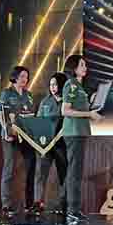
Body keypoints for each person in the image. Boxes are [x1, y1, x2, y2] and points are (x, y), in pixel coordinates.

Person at [61, 55, 103, 225]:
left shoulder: (79, 86)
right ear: (74, 68)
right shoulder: (70, 84)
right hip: (73, 132)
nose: (85, 67)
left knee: (76, 172)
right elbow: (65, 110)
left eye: (85, 64)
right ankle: (72, 210)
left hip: (80, 132)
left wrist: (92, 105)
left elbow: (80, 107)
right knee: (74, 173)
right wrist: (89, 114)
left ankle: (73, 209)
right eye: (82, 65)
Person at [0, 66, 37, 215]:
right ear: (14, 77)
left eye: (26, 77)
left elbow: (32, 115)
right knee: (9, 169)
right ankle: (6, 205)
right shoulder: (6, 93)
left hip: (26, 136)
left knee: (31, 168)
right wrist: (6, 131)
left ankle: (29, 204)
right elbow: (2, 114)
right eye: (21, 76)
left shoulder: (29, 95)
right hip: (10, 135)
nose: (24, 79)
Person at [34, 72, 68, 215]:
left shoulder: (68, 102)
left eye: (55, 84)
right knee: (40, 175)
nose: (53, 87)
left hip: (62, 144)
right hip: (45, 145)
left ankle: (65, 204)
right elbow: (38, 121)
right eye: (51, 85)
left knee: (64, 175)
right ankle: (38, 203)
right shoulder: (45, 102)